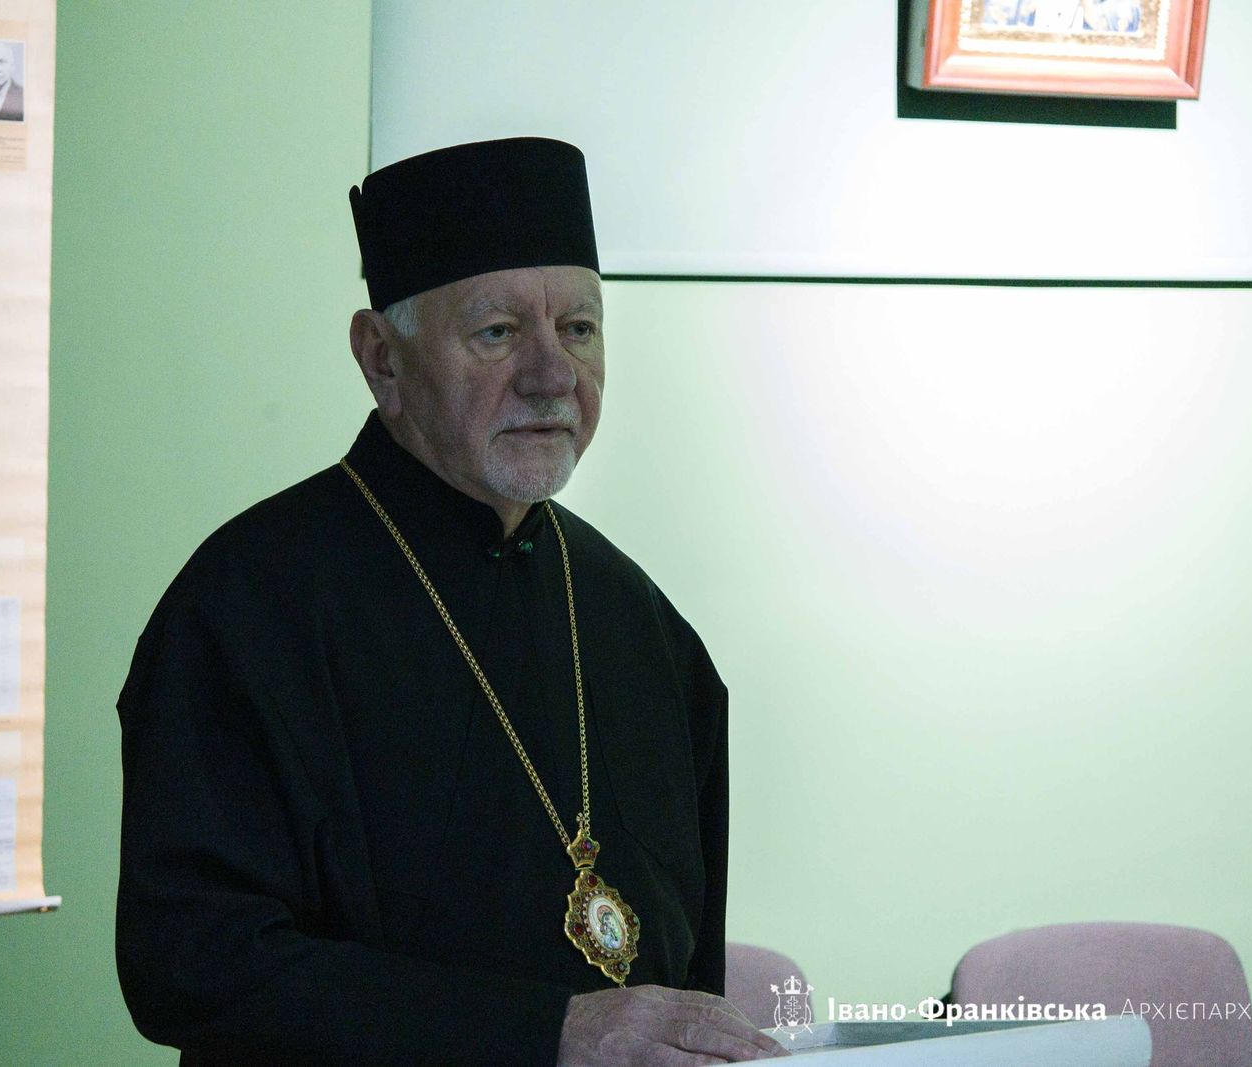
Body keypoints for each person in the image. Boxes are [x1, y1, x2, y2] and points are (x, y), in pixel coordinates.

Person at [115, 137, 788, 1066]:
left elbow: (684, 980)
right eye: (499, 332)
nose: (553, 376)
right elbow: (191, 962)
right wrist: (542, 1033)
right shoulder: (245, 609)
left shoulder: (650, 631)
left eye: (579, 329)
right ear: (381, 359)